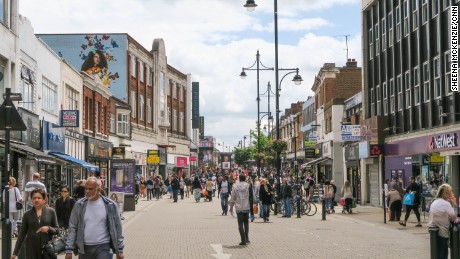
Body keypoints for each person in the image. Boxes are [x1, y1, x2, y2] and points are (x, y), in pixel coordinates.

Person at [65, 177, 124, 259]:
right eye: (86, 188)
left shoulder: (110, 205)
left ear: (99, 190)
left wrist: (120, 249)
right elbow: (73, 227)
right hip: (84, 248)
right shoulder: (79, 205)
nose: (87, 191)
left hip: (104, 246)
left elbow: (118, 227)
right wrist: (69, 249)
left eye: (90, 189)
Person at [12, 188, 59, 259]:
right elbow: (22, 234)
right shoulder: (27, 214)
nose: (36, 200)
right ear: (31, 200)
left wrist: (48, 228)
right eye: (34, 198)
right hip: (32, 250)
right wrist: (15, 253)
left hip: (47, 249)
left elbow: (57, 230)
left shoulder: (51, 212)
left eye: (39, 198)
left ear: (44, 199)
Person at [428, 184, 458, 259]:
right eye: (450, 192)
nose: (452, 194)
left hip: (434, 230)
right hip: (442, 231)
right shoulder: (446, 203)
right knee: (443, 253)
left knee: (438, 252)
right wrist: (454, 204)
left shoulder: (435, 201)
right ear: (446, 193)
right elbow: (454, 216)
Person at [229, 174, 253, 246]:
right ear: (245, 178)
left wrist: (231, 208)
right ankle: (247, 238)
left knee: (240, 224)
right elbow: (252, 196)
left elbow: (232, 198)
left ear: (239, 179)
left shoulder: (235, 186)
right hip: (246, 206)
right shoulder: (248, 185)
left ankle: (243, 240)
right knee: (246, 223)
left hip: (239, 207)